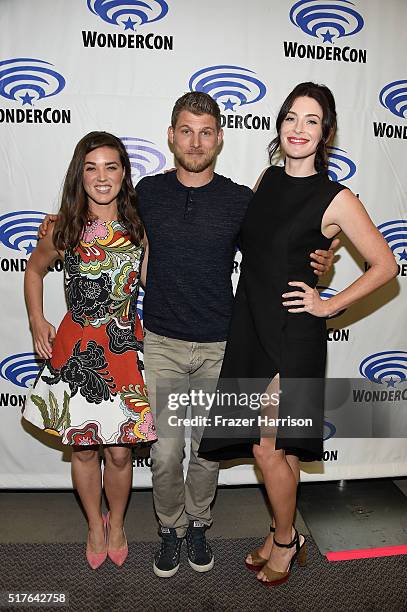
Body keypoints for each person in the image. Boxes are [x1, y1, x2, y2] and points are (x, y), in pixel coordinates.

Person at [37, 92, 337, 578]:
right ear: (171, 136)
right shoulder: (146, 195)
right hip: (162, 344)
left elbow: (287, 236)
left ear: (219, 138)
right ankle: (170, 529)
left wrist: (323, 253)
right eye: (186, 131)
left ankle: (199, 523)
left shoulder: (243, 200)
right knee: (166, 451)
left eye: (205, 132)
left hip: (225, 345)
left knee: (206, 451)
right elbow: (95, 206)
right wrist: (53, 225)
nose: (195, 141)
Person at [198, 82, 397, 586]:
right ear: (280, 125)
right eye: (291, 117)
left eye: (311, 120)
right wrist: (321, 259)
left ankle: (287, 541)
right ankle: (278, 528)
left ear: (325, 132)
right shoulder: (266, 179)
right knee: (275, 450)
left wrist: (327, 302)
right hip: (251, 325)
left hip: (293, 334)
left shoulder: (337, 198)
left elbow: (385, 264)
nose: (299, 128)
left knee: (268, 447)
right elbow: (267, 249)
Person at [23, 131, 157, 570]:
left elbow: (157, 281)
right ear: (79, 175)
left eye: (111, 166)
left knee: (120, 452)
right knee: (83, 449)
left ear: (124, 173)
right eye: (91, 167)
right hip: (76, 349)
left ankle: (116, 522)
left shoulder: (141, 227)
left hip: (122, 349)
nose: (102, 177)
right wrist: (37, 319)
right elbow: (34, 270)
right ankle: (93, 526)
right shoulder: (63, 226)